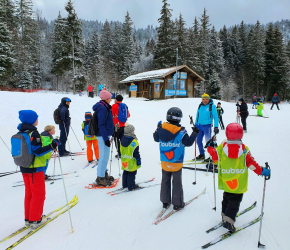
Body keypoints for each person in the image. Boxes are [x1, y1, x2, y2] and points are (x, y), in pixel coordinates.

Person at [207, 123, 270, 232]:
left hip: (226, 179)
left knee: (227, 197)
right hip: (238, 182)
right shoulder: (244, 150)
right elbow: (251, 164)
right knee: (234, 201)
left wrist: (210, 148)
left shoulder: (222, 147)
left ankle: (224, 215)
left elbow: (214, 155)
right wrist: (262, 171)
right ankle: (229, 221)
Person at [17, 110, 59, 229]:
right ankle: (35, 220)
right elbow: (37, 151)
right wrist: (52, 145)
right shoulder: (33, 133)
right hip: (35, 169)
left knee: (29, 194)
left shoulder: (21, 131)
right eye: (36, 118)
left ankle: (28, 218)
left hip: (24, 167)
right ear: (31, 120)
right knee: (39, 194)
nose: (37, 119)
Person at [153, 107, 200, 210]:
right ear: (179, 119)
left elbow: (156, 138)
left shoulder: (161, 129)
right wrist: (195, 133)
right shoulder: (181, 131)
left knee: (165, 180)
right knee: (177, 182)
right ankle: (177, 203)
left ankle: (165, 201)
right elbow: (188, 142)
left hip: (165, 161)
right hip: (177, 162)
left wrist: (157, 129)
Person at [92, 90, 114, 186]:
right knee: (103, 156)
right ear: (106, 99)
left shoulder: (104, 107)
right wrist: (105, 139)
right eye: (110, 98)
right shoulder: (103, 108)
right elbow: (101, 124)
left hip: (104, 135)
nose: (111, 100)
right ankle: (100, 177)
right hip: (102, 135)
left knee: (105, 156)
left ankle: (103, 174)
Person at [195, 93, 219, 160]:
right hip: (199, 126)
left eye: (206, 99)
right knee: (198, 141)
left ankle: (212, 157)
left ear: (209, 99)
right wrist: (195, 125)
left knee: (208, 142)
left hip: (207, 126)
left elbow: (216, 117)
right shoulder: (200, 106)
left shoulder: (212, 106)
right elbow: (197, 116)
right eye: (204, 99)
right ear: (202, 100)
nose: (205, 100)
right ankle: (202, 154)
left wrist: (216, 126)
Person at [120, 123, 141, 190]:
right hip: (132, 161)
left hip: (124, 160)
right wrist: (138, 160)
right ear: (131, 132)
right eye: (133, 131)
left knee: (126, 171)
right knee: (132, 173)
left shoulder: (122, 139)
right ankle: (131, 186)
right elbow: (136, 153)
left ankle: (125, 184)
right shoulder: (133, 142)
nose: (134, 132)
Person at [112, 94, 130, 158]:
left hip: (116, 126)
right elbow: (128, 115)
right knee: (122, 139)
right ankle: (124, 152)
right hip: (123, 125)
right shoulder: (124, 106)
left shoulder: (114, 106)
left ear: (116, 99)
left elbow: (110, 115)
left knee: (116, 140)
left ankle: (119, 154)